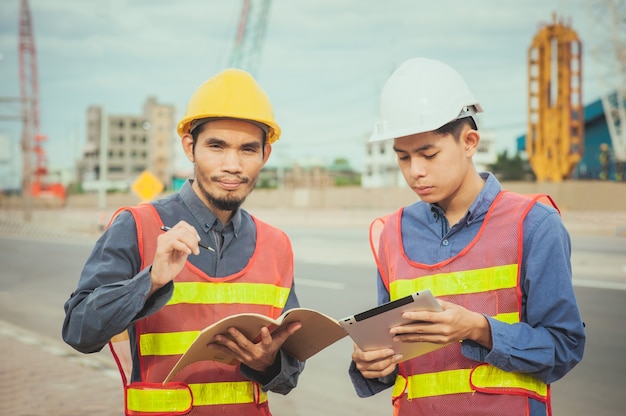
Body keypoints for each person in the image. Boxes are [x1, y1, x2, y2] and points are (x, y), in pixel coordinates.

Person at [348, 57, 586, 415]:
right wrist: (372, 365)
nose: (415, 172)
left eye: (429, 154)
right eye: (403, 157)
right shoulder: (392, 234)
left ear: (470, 142)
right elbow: (392, 352)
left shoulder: (532, 224)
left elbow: (564, 347)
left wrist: (479, 329)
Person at [63, 68, 305, 416]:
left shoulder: (276, 244)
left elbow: (288, 377)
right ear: (190, 147)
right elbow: (79, 331)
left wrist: (269, 364)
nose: (232, 165)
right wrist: (151, 281)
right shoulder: (138, 227)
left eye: (248, 150)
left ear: (265, 155)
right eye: (216, 146)